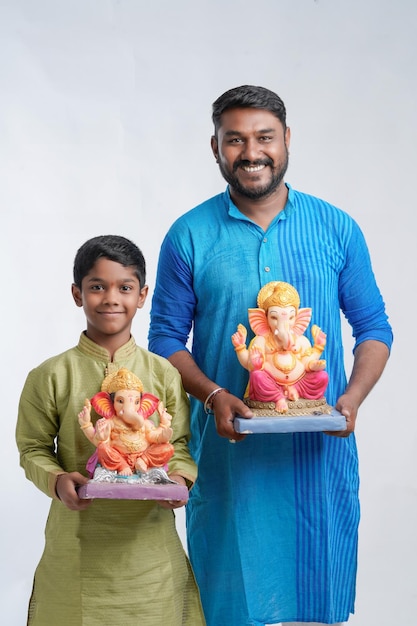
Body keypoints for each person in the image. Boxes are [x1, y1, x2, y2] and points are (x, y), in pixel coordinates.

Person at [148, 85, 393, 626]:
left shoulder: (335, 227)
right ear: (215, 148)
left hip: (318, 455)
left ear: (287, 141)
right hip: (229, 455)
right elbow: (166, 338)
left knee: (314, 600)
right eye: (234, 139)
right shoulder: (188, 234)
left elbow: (374, 328)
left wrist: (349, 400)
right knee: (227, 606)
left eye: (264, 137)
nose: (251, 151)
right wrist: (213, 395)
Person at [16, 235, 205, 626]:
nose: (111, 299)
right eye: (96, 287)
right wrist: (57, 481)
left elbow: (181, 445)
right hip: (78, 548)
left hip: (149, 554)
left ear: (143, 295)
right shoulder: (51, 375)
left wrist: (181, 479)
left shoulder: (163, 373)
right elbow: (32, 449)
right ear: (77, 294)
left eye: (125, 287)